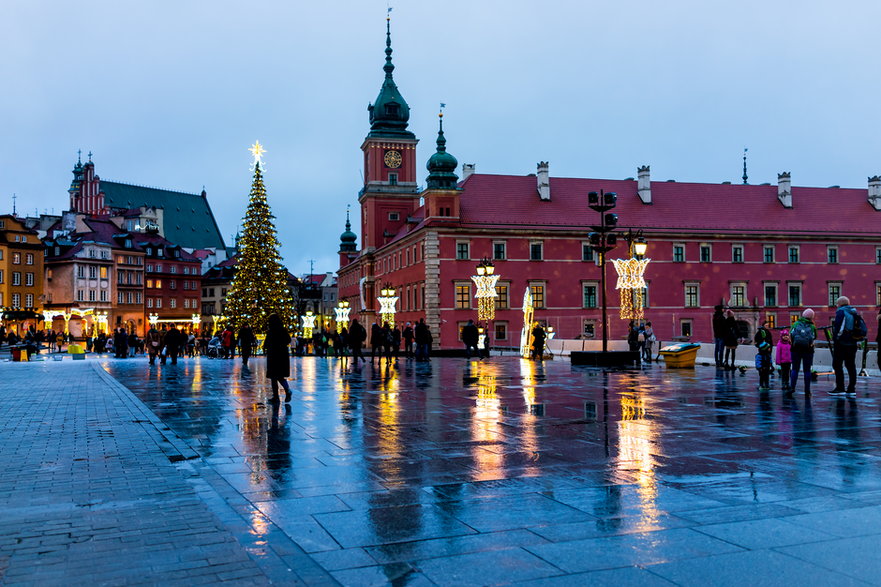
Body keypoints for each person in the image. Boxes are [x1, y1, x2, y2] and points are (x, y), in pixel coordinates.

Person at [831, 296, 861, 396]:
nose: (836, 305)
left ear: (840, 304)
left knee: (837, 365)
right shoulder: (854, 312)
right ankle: (851, 388)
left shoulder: (841, 312)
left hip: (842, 343)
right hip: (853, 342)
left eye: (837, 303)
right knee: (851, 365)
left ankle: (840, 388)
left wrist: (836, 339)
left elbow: (839, 328)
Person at [264, 313, 292, 403]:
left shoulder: (271, 331)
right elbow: (288, 340)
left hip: (273, 355)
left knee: (273, 377)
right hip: (282, 355)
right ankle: (287, 389)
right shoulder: (283, 330)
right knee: (280, 376)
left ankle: (276, 397)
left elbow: (266, 344)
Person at [789, 309, 817, 396]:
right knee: (807, 371)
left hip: (796, 349)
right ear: (812, 317)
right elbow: (814, 337)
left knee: (795, 369)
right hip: (808, 350)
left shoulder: (796, 324)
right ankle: (807, 390)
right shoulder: (812, 326)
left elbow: (791, 335)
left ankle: (792, 388)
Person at [754, 320, 774, 390]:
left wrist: (770, 348)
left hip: (767, 353)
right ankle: (762, 384)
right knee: (762, 372)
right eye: (766, 325)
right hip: (763, 352)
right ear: (763, 325)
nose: (767, 327)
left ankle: (766, 384)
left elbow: (771, 342)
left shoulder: (768, 332)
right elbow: (757, 342)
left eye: (768, 325)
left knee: (766, 372)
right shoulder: (761, 333)